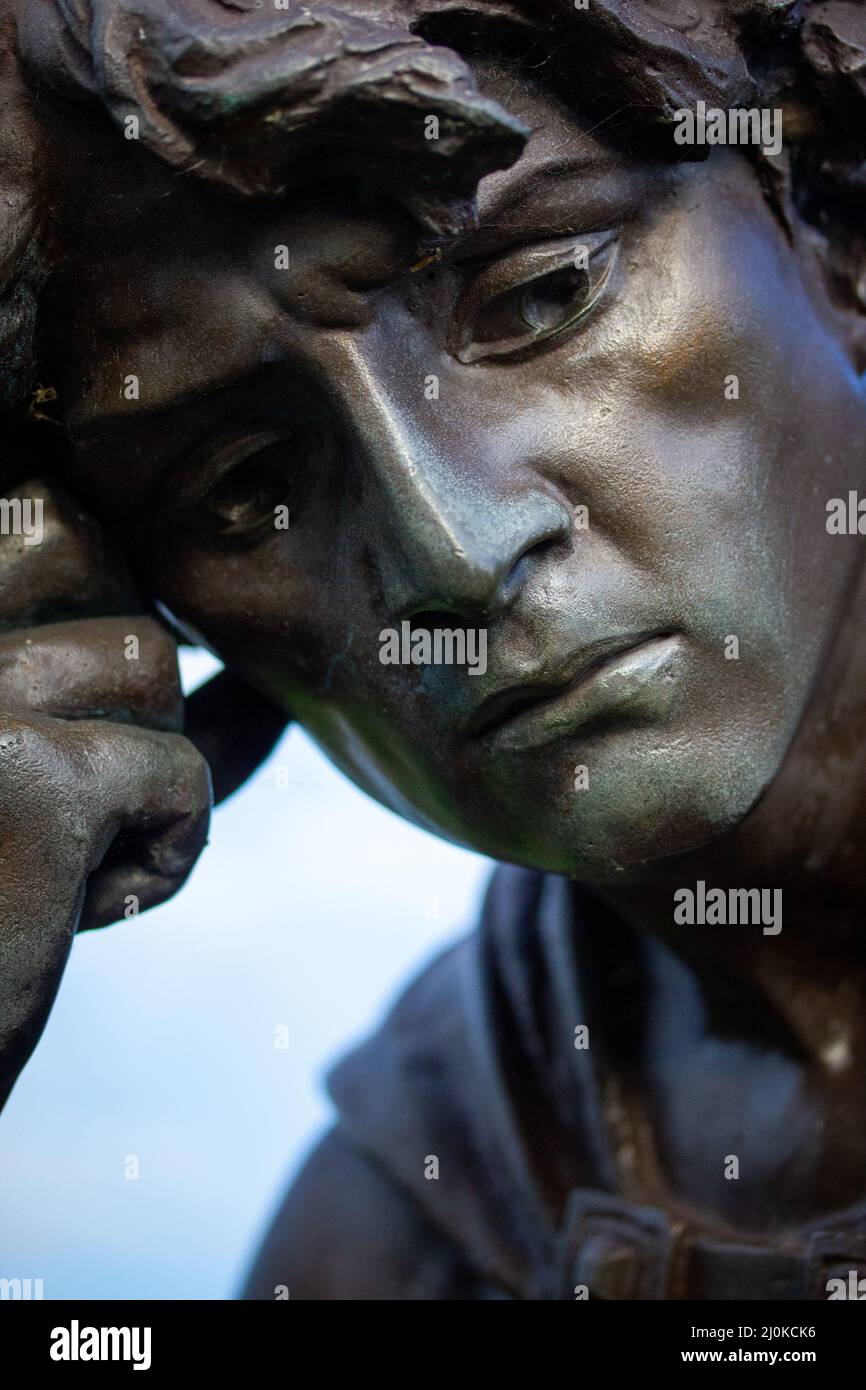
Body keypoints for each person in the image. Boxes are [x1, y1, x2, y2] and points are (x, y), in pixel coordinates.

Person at [3, 0, 866, 1298]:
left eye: (544, 294)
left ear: (824, 220)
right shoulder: (405, 1230)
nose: (455, 550)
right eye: (247, 487)